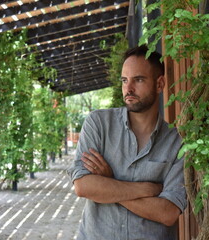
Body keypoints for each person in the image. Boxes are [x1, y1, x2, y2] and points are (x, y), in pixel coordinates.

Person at [67, 45, 187, 240]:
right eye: (124, 80)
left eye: (138, 80)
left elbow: (167, 213)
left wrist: (109, 182)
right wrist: (148, 190)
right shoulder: (98, 124)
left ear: (159, 84)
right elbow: (83, 187)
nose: (128, 89)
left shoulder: (176, 142)